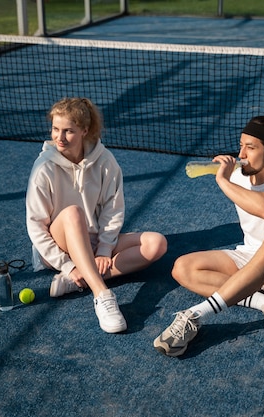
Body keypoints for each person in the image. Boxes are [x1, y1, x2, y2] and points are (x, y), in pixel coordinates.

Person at [153, 116, 264, 357]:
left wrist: (221, 179)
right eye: (240, 145)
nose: (241, 153)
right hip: (251, 257)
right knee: (182, 268)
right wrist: (222, 172)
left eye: (250, 147)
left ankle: (196, 315)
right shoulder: (240, 174)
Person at [26, 97, 167, 334]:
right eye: (56, 129)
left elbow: (113, 210)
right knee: (72, 213)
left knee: (157, 244)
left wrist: (104, 248)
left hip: (93, 243)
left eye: (69, 131)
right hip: (57, 249)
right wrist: (68, 265)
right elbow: (35, 226)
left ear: (84, 130)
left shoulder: (106, 162)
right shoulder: (43, 168)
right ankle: (101, 293)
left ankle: (77, 281)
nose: (60, 137)